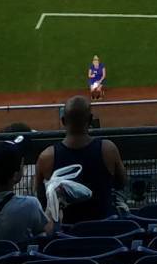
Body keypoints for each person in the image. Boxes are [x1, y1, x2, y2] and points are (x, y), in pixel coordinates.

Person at [32, 94, 126, 226]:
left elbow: (40, 196)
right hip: (104, 230)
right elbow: (121, 182)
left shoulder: (47, 157)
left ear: (63, 121)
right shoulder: (108, 149)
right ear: (91, 119)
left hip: (66, 233)